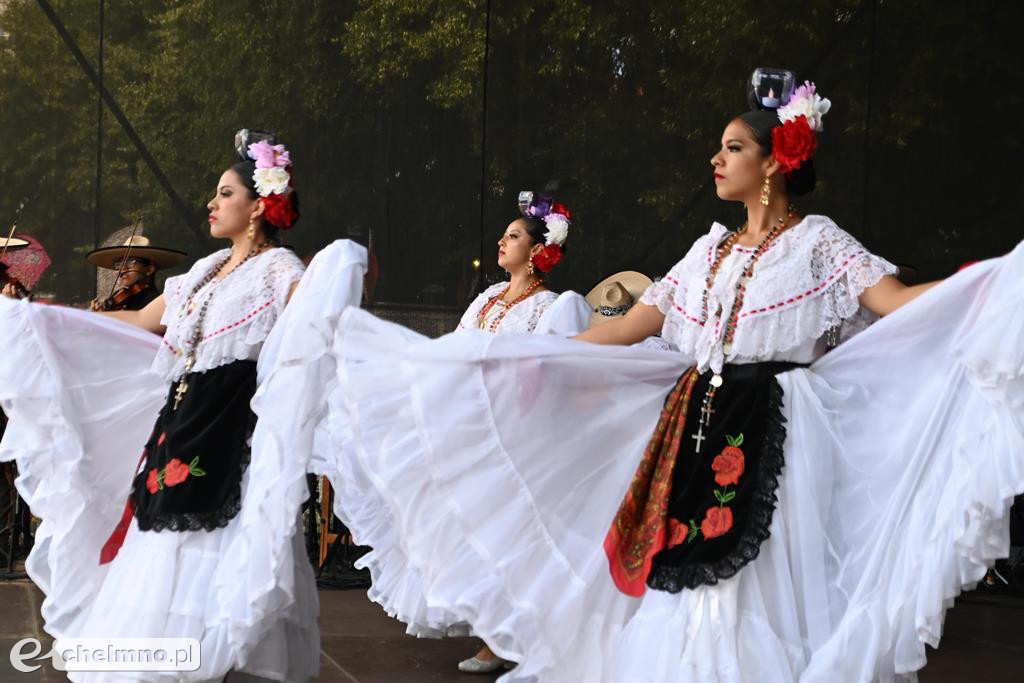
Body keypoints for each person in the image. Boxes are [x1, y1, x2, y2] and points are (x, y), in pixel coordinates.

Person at [326, 71, 1024, 682]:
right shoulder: (708, 250)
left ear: (776, 161)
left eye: (733, 147)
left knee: (758, 584)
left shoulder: (819, 244)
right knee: (685, 580)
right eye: (721, 147)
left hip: (778, 430)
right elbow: (631, 325)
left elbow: (897, 304)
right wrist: (526, 355)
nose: (715, 158)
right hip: (697, 424)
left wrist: (987, 284)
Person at [0, 131, 343, 682]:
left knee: (216, 557)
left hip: (231, 433)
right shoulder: (204, 271)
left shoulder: (281, 273)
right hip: (177, 431)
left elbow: (315, 324)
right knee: (159, 557)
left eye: (224, 193)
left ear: (258, 205)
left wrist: (341, 276)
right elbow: (139, 322)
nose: (211, 202)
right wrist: (41, 319)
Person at [86, 235, 186, 311]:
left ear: (150, 269)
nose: (122, 269)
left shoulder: (153, 301)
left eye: (130, 262)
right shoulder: (123, 297)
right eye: (119, 265)